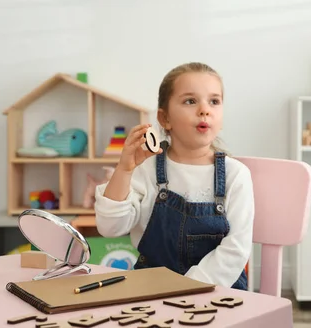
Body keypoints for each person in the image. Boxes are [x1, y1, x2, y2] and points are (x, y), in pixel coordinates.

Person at [94, 62, 254, 291]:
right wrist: (124, 170)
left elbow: (236, 249)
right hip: (151, 289)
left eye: (214, 101)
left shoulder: (235, 174)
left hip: (217, 289)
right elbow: (110, 228)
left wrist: (187, 288)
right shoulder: (146, 168)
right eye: (190, 101)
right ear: (164, 118)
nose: (204, 109)